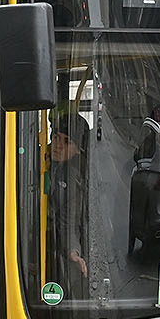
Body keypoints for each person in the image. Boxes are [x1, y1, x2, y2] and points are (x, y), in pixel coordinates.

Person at [47, 112, 93, 294]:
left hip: (54, 246)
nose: (58, 145)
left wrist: (73, 251)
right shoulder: (37, 159)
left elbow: (70, 218)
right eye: (56, 138)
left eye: (67, 142)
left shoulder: (73, 176)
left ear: (78, 149)